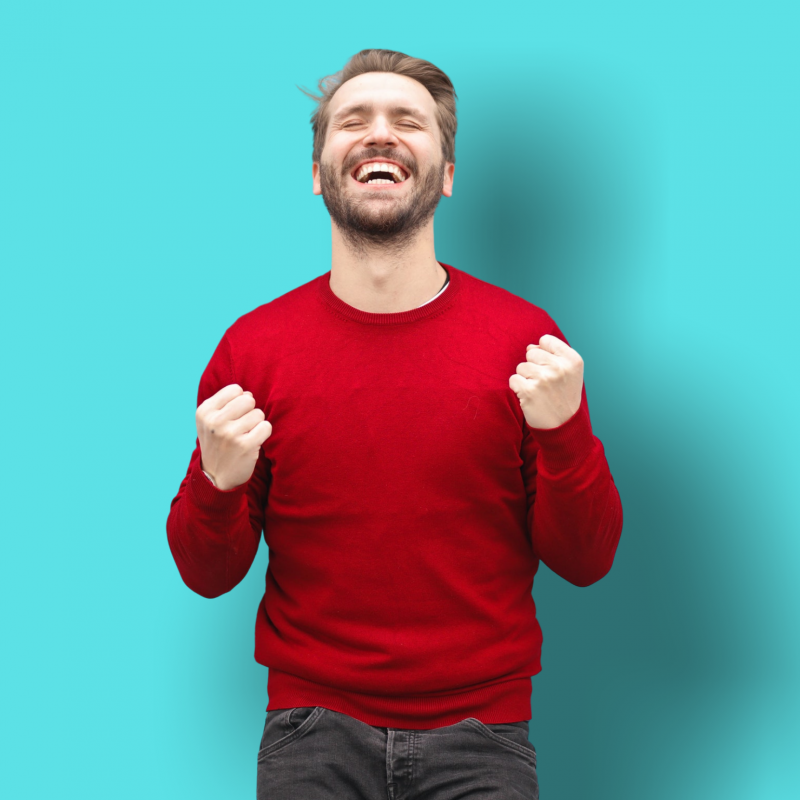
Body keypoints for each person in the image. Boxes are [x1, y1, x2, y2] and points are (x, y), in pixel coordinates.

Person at [167, 48, 623, 800]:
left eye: (407, 121)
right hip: (309, 732)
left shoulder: (526, 342)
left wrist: (565, 433)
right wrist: (218, 483)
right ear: (319, 171)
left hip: (484, 735)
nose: (379, 134)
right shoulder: (252, 349)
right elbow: (206, 575)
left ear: (445, 175)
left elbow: (587, 560)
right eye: (354, 121)